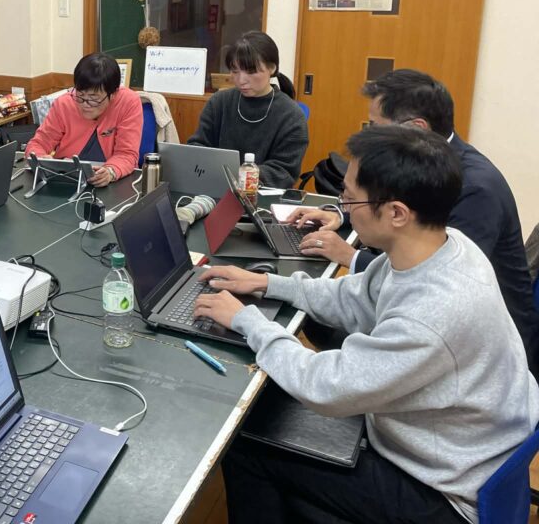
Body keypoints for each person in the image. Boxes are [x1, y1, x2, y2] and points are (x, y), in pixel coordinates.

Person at [195, 125, 539, 524]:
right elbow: (354, 296)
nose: (342, 205)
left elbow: (326, 387)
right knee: (269, 411)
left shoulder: (435, 312)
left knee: (245, 445)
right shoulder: (446, 246)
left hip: (445, 492)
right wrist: (267, 283)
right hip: (452, 446)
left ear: (397, 213)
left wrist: (247, 321)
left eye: (350, 197)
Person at [288, 69, 539, 373]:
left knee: (320, 325)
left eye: (376, 126)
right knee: (317, 314)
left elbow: (429, 275)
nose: (370, 136)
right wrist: (343, 213)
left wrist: (349, 256)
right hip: (432, 316)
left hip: (482, 355)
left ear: (417, 128)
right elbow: (399, 209)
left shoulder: (474, 189)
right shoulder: (429, 164)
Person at [188, 31, 307, 188]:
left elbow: (284, 171)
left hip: (263, 194)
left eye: (251, 71)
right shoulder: (219, 102)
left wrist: (242, 175)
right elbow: (198, 145)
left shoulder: (292, 115)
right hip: (216, 188)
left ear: (272, 68)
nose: (241, 80)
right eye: (235, 71)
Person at [24, 52, 142, 187]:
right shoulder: (65, 103)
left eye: (94, 98)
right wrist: (40, 158)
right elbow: (38, 144)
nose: (85, 104)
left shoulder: (128, 102)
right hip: (67, 181)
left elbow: (127, 154)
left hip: (113, 184)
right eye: (80, 95)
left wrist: (110, 171)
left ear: (113, 93)